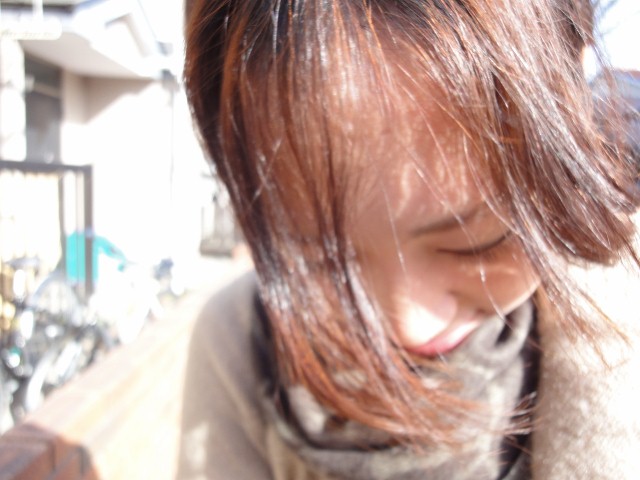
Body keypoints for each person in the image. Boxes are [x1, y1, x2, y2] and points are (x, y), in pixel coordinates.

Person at [178, 1, 640, 479]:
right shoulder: (238, 343)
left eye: (474, 243)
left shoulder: (624, 307)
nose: (408, 327)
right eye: (320, 258)